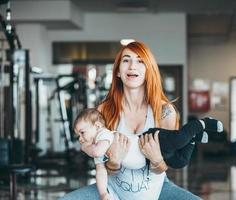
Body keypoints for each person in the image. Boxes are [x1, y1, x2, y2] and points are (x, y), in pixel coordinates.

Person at [60, 41, 205, 200]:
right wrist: (114, 163)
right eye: (126, 60)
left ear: (148, 70)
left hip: (156, 190)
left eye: (140, 61)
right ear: (117, 72)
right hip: (112, 189)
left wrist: (156, 160)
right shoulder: (104, 111)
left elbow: (165, 166)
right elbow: (99, 161)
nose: (132, 66)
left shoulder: (164, 111)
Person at [73, 108, 223, 199]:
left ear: (98, 126)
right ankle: (193, 139)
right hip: (144, 160)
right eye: (78, 136)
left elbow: (97, 151)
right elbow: (101, 173)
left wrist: (84, 148)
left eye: (82, 133)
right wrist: (103, 194)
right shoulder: (97, 147)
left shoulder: (102, 135)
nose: (81, 139)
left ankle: (202, 123)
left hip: (148, 140)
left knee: (178, 141)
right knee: (180, 161)